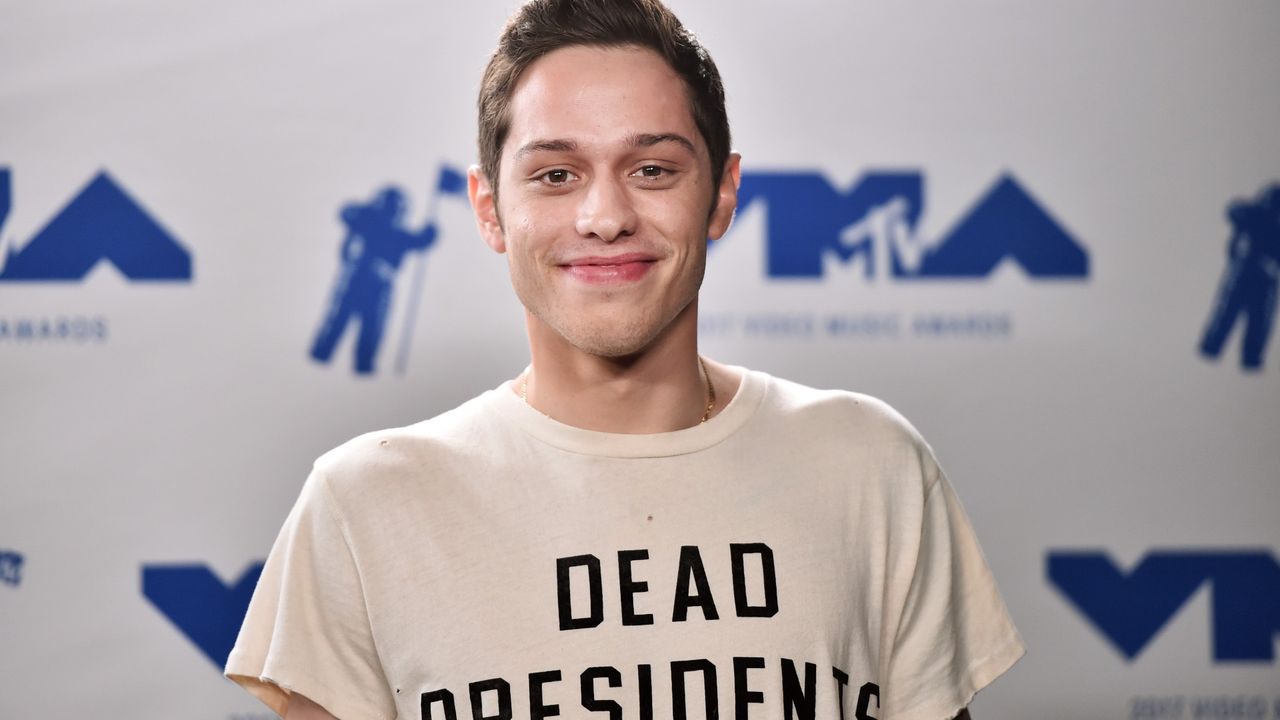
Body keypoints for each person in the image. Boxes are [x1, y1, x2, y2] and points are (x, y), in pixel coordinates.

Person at [225, 1, 1025, 718]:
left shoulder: (870, 465)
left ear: (721, 194)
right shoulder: (365, 505)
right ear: (488, 208)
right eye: (555, 174)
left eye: (651, 169)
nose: (605, 216)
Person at [310, 187, 439, 375]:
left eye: (396, 209)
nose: (393, 213)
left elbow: (421, 241)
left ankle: (363, 369)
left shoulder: (398, 235)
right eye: (390, 207)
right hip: (356, 279)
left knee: (371, 332)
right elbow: (346, 212)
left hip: (380, 286)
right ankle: (319, 359)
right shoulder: (365, 221)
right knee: (337, 324)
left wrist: (431, 231)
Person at [1199, 184, 1280, 370]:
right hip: (1243, 273)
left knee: (1258, 323)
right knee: (1227, 314)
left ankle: (1249, 360)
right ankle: (1211, 351)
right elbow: (1234, 210)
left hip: (1263, 278)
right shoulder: (1253, 216)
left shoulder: (1269, 225)